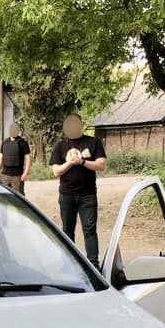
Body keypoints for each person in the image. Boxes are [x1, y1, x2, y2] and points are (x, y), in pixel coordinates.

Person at [50, 113, 107, 266]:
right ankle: (70, 264)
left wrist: (82, 162)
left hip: (88, 195)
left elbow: (101, 165)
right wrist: (70, 163)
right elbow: (56, 171)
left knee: (89, 230)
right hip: (66, 195)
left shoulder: (94, 142)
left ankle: (94, 265)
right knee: (67, 231)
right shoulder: (60, 145)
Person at [0, 123, 32, 194]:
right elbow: (0, 158)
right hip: (4, 175)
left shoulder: (23, 143)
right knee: (5, 197)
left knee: (18, 198)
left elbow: (28, 160)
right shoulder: (5, 142)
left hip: (17, 176)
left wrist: (25, 174)